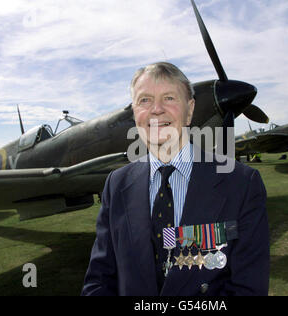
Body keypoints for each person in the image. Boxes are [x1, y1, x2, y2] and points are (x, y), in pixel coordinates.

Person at [81, 62, 269, 296]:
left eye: (169, 98)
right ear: (135, 114)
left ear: (190, 111)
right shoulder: (116, 184)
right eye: (144, 100)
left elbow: (247, 288)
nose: (156, 109)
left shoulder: (242, 183)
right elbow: (99, 280)